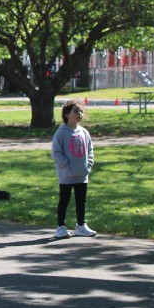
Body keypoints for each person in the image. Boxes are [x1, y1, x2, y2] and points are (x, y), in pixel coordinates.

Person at [52, 100, 96, 239]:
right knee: (64, 200)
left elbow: (90, 150)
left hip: (82, 174)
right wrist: (67, 167)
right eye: (76, 111)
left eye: (81, 111)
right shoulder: (61, 133)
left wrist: (88, 165)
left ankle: (81, 226)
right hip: (67, 176)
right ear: (67, 114)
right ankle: (61, 227)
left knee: (81, 201)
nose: (79, 114)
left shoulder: (84, 132)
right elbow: (56, 153)